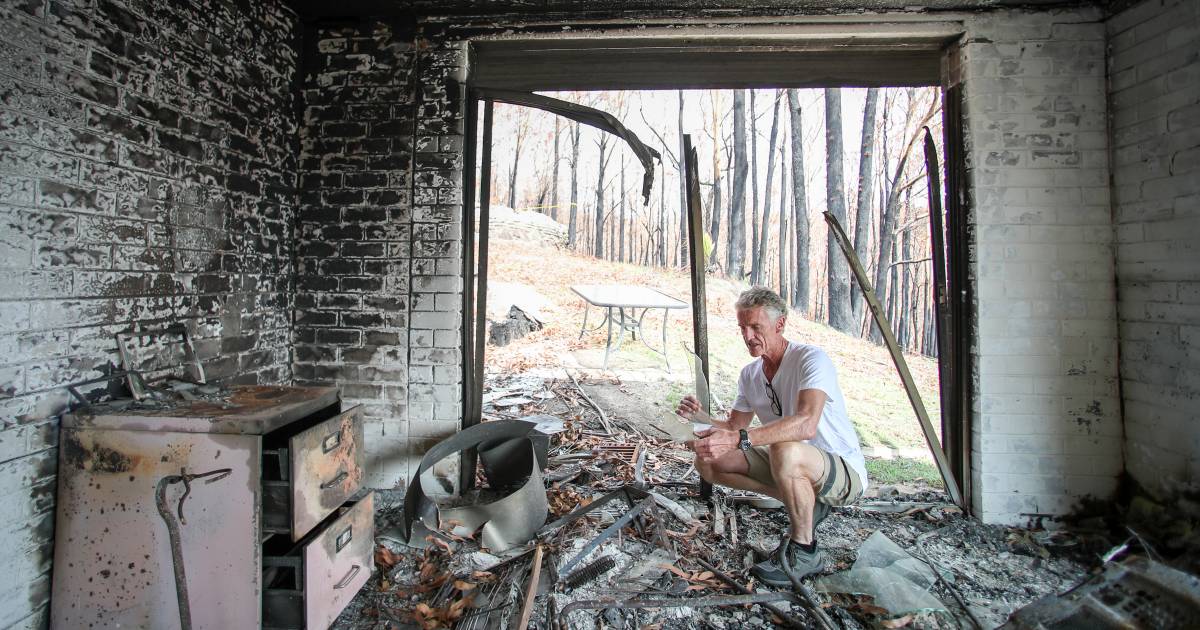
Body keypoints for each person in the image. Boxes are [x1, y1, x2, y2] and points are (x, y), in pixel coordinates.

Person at [677, 287, 868, 586]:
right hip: (790, 463)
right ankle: (803, 502)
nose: (748, 336)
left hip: (842, 471)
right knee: (708, 462)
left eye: (756, 327)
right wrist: (700, 417)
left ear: (779, 325)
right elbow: (734, 425)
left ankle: (805, 551)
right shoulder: (750, 374)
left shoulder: (811, 359)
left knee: (784, 448)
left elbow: (806, 425)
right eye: (743, 327)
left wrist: (741, 438)